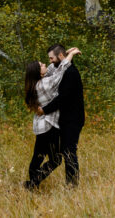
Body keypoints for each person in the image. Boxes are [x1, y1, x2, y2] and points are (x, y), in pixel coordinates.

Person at [23, 46, 80, 190]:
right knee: (55, 159)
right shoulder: (45, 83)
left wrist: (64, 55)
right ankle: (33, 182)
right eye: (42, 65)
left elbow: (54, 67)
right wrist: (70, 55)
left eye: (49, 59)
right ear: (38, 72)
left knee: (38, 155)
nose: (46, 64)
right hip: (49, 126)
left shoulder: (36, 83)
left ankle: (31, 182)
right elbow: (59, 71)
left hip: (40, 126)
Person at [37, 43, 85, 186]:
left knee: (69, 151)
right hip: (63, 119)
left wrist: (44, 110)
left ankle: (72, 185)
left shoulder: (70, 73)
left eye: (52, 58)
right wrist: (70, 53)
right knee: (59, 154)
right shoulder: (62, 68)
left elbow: (62, 98)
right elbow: (56, 68)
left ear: (60, 56)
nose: (50, 61)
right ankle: (35, 179)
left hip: (73, 120)